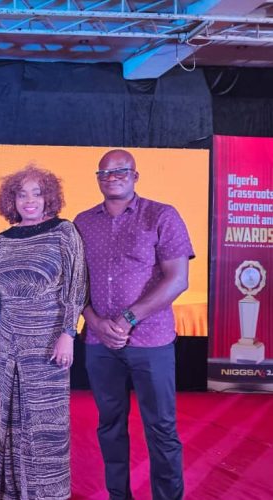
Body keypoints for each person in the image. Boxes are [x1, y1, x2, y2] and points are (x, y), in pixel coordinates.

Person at [74, 149, 193, 500]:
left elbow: (177, 279)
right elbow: (75, 282)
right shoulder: (82, 222)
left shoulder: (162, 215)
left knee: (161, 428)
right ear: (98, 179)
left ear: (135, 176)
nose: (112, 177)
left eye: (121, 171)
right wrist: (94, 321)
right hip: (99, 344)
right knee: (110, 426)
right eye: (105, 173)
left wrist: (128, 318)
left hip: (151, 342)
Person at [0, 166, 86, 499]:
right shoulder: (3, 240)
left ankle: (49, 494)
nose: (29, 201)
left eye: (37, 193)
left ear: (49, 198)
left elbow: (76, 284)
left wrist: (68, 333)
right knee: (11, 421)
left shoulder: (63, 231)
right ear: (11, 200)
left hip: (48, 343)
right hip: (10, 344)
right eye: (21, 194)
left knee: (46, 426)